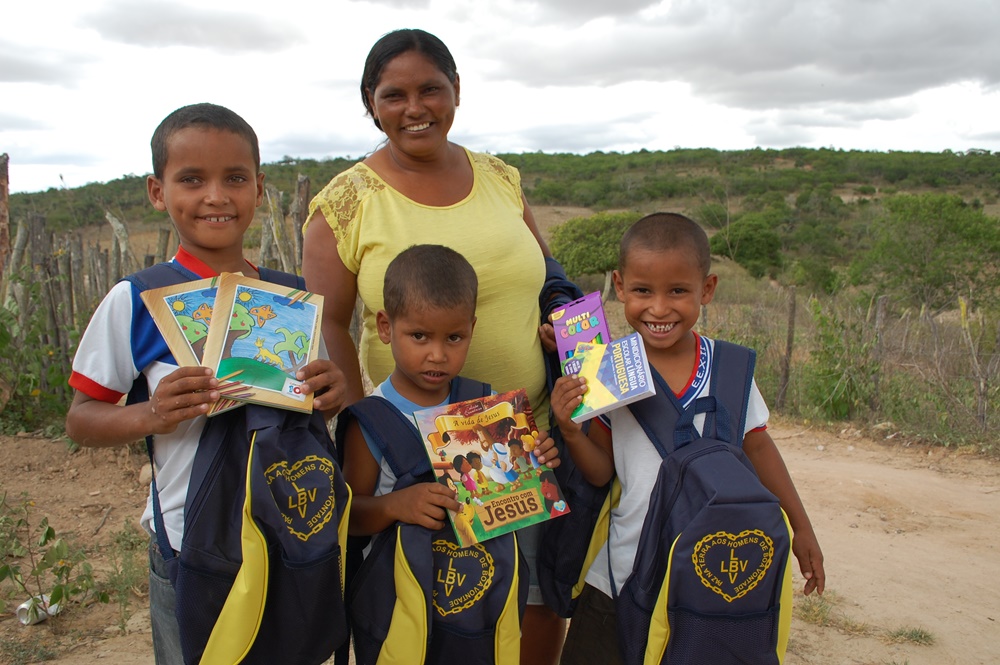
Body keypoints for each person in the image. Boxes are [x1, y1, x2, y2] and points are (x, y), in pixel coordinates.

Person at [301, 28, 567, 662]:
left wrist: (564, 322)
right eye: (394, 94)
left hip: (516, 444)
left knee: (528, 595)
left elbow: (547, 275)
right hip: (408, 452)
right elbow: (328, 321)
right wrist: (367, 421)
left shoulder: (499, 178)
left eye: (431, 90)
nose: (414, 107)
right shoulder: (346, 201)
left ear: (456, 94)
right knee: (422, 606)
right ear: (371, 101)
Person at [64, 103, 347, 664]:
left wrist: (330, 391)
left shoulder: (289, 300)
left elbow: (307, 401)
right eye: (191, 179)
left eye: (235, 178)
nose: (216, 196)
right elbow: (82, 419)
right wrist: (153, 414)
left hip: (290, 530)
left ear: (260, 188)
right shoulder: (138, 300)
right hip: (186, 540)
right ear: (156, 190)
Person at [551, 213, 826, 665]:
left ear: (708, 289)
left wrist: (801, 526)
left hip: (704, 581)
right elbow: (601, 471)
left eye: (678, 291)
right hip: (620, 577)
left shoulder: (730, 369)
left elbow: (758, 448)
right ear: (619, 286)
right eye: (643, 291)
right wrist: (570, 430)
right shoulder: (606, 371)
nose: (659, 309)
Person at [337, 244, 560, 660]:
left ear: (471, 329)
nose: (437, 354)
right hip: (400, 615)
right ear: (385, 327)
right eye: (419, 336)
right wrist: (394, 506)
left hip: (482, 607)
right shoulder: (370, 421)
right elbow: (348, 517)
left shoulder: (488, 406)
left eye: (453, 337)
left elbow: (515, 490)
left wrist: (533, 461)